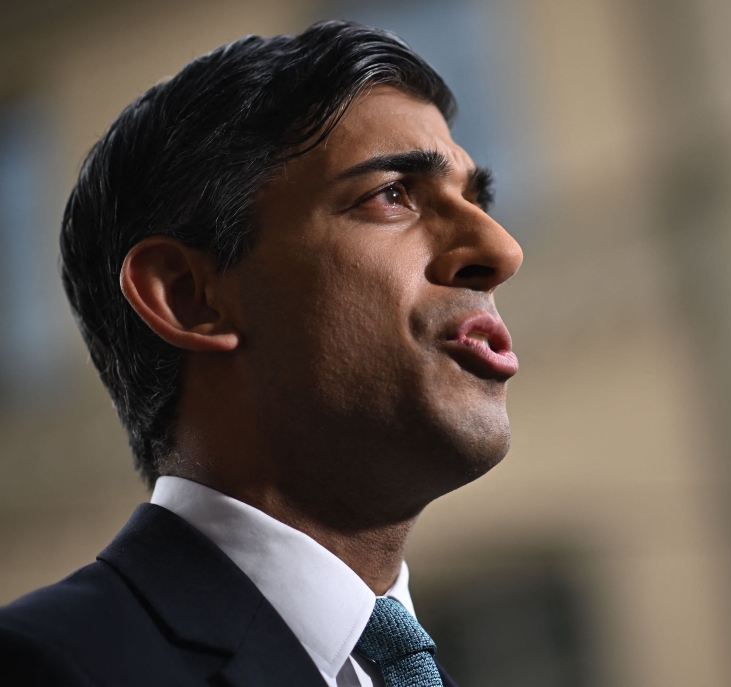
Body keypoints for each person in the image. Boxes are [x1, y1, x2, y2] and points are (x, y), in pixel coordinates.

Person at [0, 20, 523, 687]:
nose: (502, 251)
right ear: (189, 296)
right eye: (392, 194)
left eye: (476, 199)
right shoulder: (46, 667)